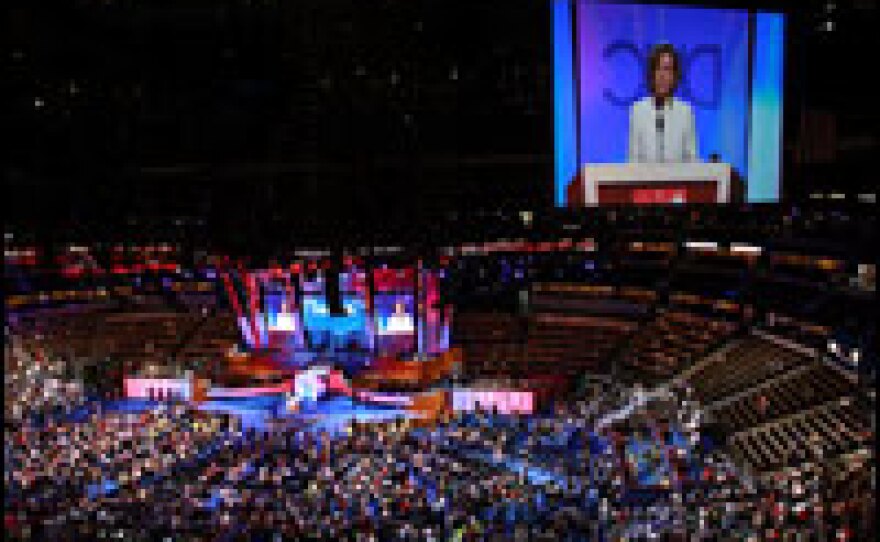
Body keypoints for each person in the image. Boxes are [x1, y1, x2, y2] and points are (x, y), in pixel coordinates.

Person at [628, 43, 698, 163]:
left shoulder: (685, 111)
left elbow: (691, 158)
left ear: (675, 76)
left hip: (677, 180)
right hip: (645, 180)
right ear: (652, 74)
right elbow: (633, 159)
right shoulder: (638, 110)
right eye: (658, 69)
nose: (662, 75)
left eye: (667, 69)